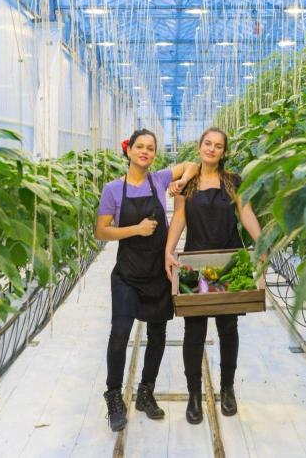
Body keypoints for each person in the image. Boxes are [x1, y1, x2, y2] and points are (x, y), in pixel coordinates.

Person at [94, 129, 199, 432]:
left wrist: (181, 180)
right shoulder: (113, 189)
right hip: (127, 274)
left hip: (158, 272)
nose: (145, 151)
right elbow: (101, 231)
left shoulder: (160, 179)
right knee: (119, 333)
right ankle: (114, 396)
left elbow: (191, 165)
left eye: (150, 148)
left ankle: (145, 392)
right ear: (128, 151)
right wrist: (135, 230)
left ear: (155, 154)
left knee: (158, 334)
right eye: (139, 146)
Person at [164, 127, 262, 424]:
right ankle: (194, 394)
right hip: (195, 261)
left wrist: (263, 243)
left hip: (230, 261)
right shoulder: (188, 183)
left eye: (218, 146)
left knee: (228, 328)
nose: (212, 149)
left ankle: (227, 388)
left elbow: (245, 213)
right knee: (194, 331)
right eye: (208, 143)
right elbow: (179, 217)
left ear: (224, 151)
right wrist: (168, 251)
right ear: (199, 146)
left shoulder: (233, 182)